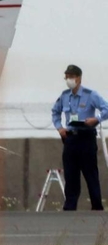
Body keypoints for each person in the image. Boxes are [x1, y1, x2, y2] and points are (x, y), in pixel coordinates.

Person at [51, 64, 108, 211]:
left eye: (71, 77)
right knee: (71, 175)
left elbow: (106, 109)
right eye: (67, 77)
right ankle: (70, 207)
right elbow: (55, 112)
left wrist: (96, 119)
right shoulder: (64, 96)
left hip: (86, 137)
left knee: (90, 174)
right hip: (70, 139)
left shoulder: (90, 95)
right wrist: (60, 128)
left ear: (78, 78)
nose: (69, 80)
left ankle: (96, 206)